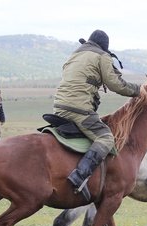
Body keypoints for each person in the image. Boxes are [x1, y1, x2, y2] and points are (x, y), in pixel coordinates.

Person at [53, 30, 140, 201]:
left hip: (59, 107)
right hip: (78, 109)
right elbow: (116, 84)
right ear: (105, 46)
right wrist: (139, 90)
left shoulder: (76, 54)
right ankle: (79, 177)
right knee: (106, 138)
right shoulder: (102, 56)